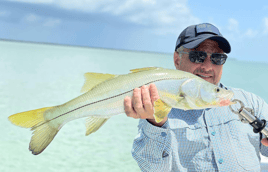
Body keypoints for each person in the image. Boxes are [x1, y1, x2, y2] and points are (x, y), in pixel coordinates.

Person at [124, 23, 268, 171]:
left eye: (217, 58)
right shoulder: (157, 110)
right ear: (177, 60)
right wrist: (155, 123)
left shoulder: (251, 103)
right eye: (198, 56)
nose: (207, 67)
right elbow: (152, 168)